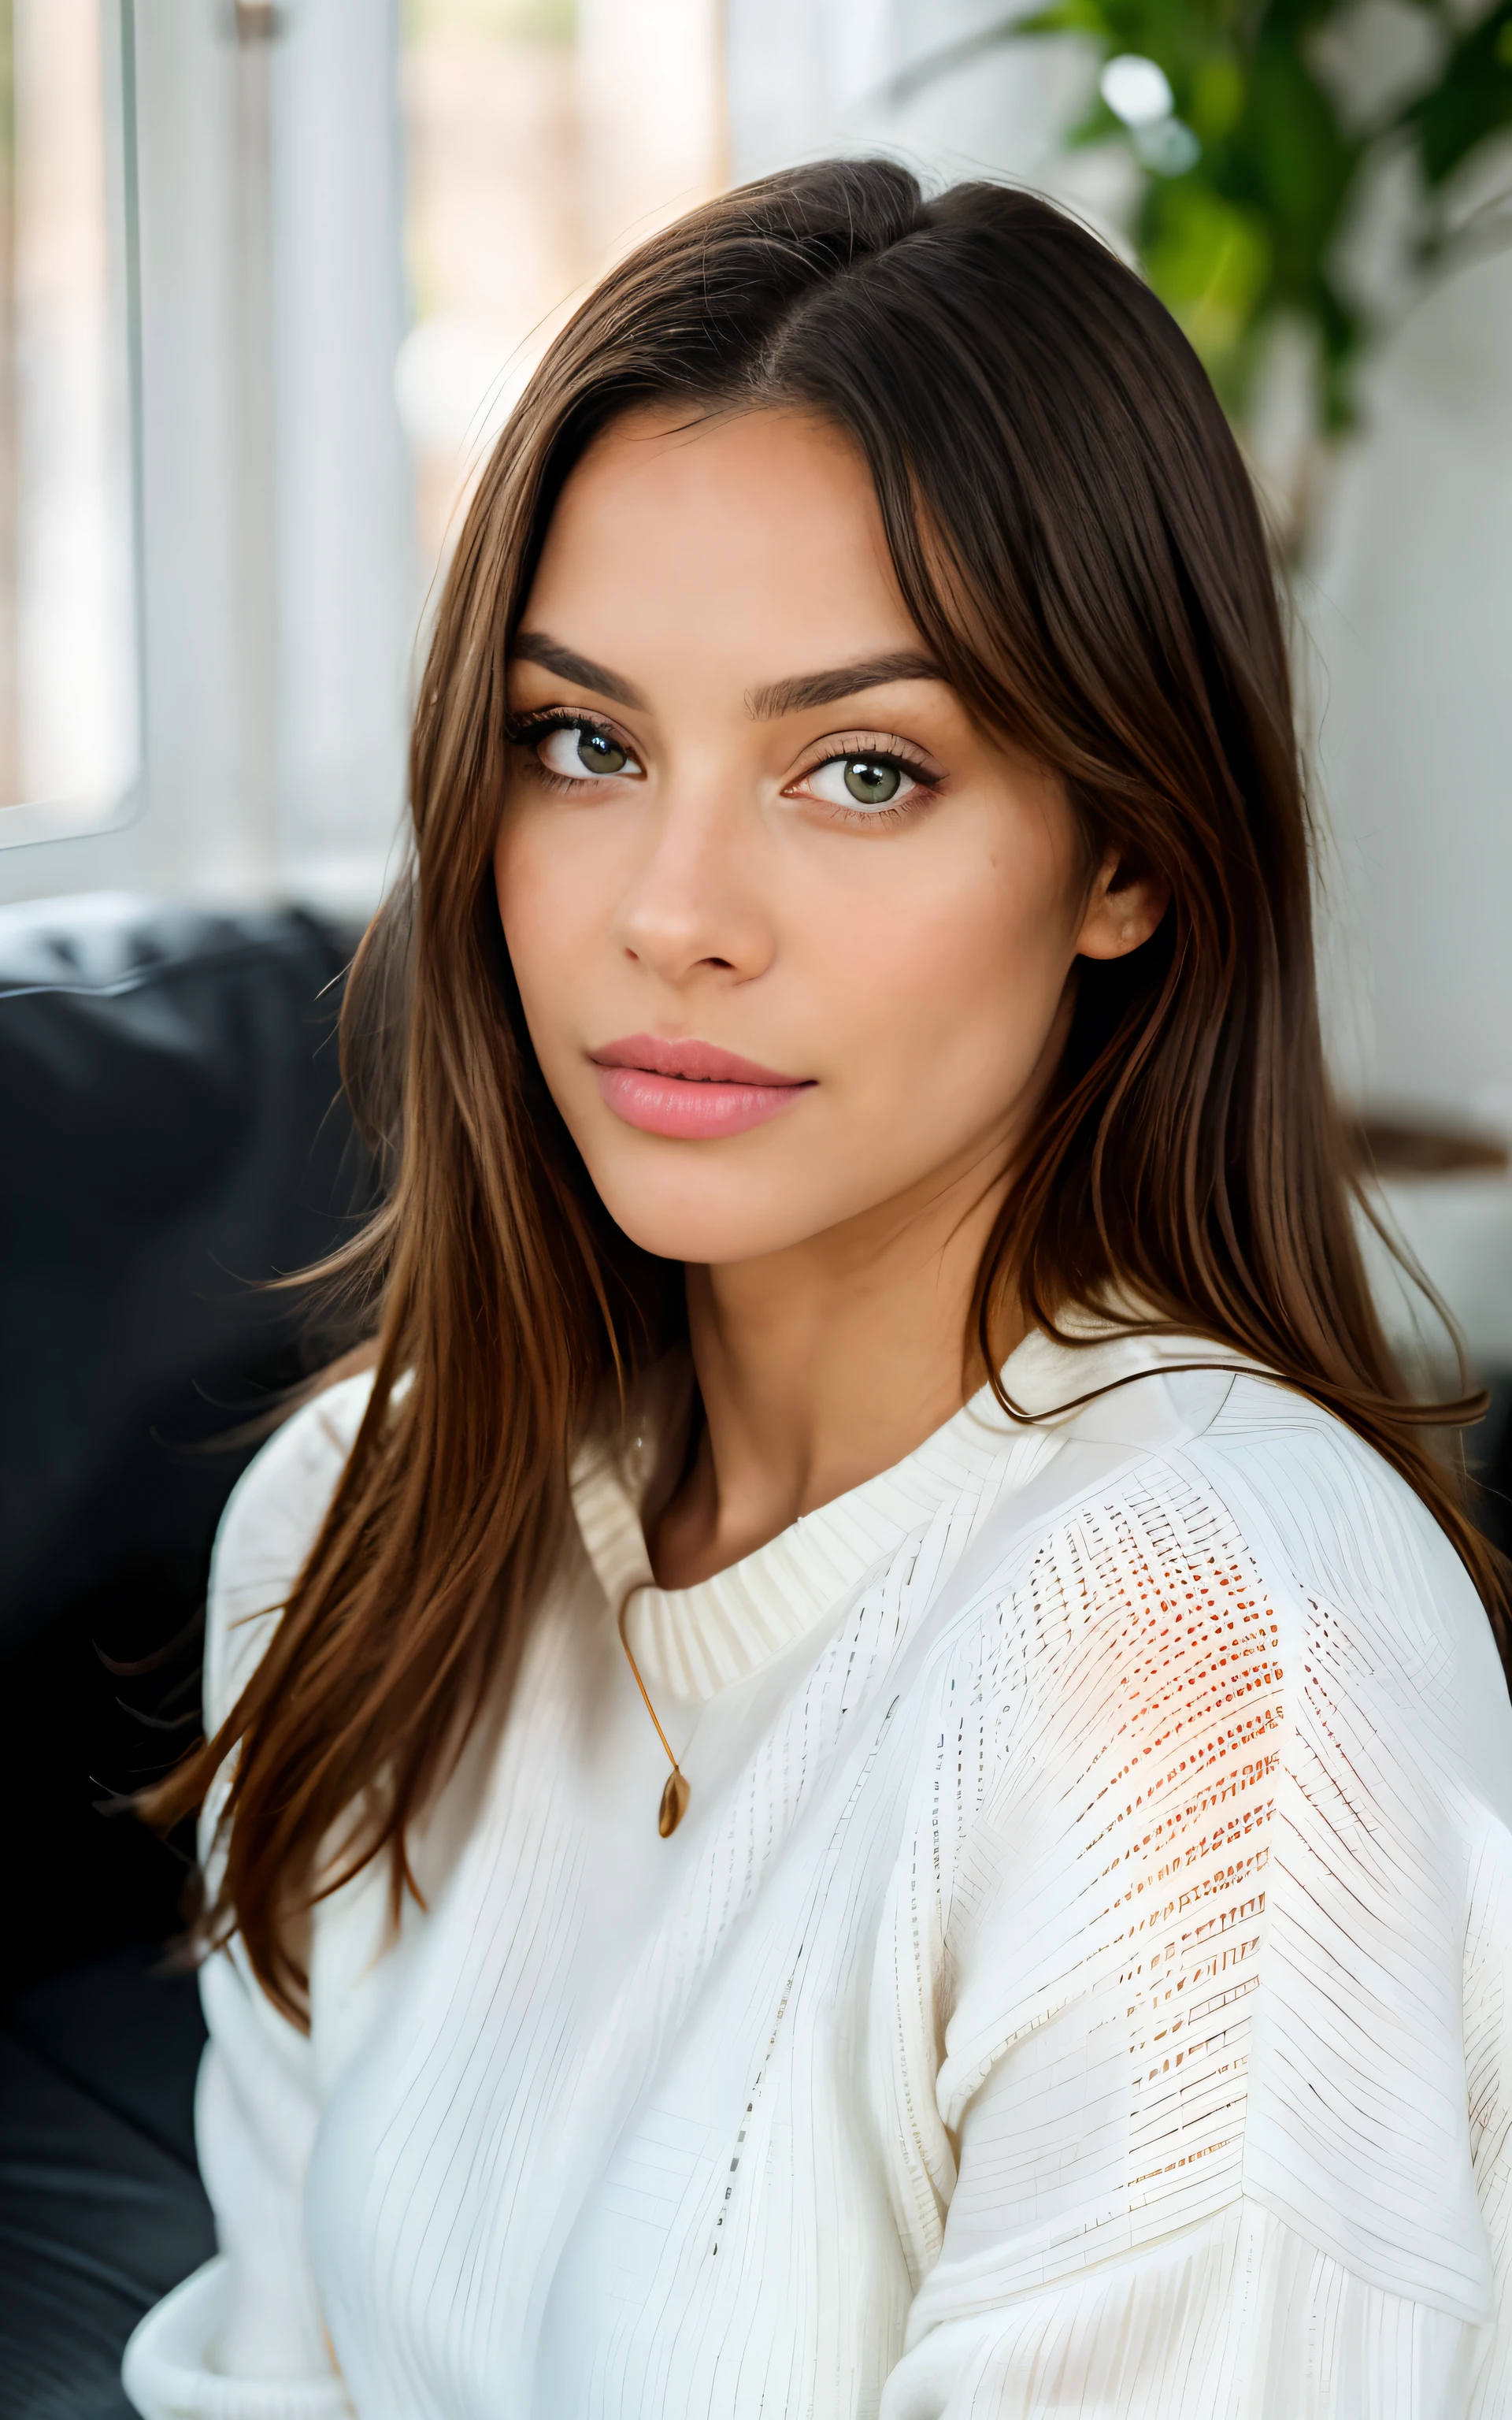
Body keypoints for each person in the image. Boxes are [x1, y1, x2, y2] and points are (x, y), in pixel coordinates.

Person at [122, 161, 1512, 2418]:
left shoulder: (1220, 1692)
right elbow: (273, 2379)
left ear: (1130, 856)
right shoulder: (359, 1525)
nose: (674, 914)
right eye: (585, 743)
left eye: (861, 771)